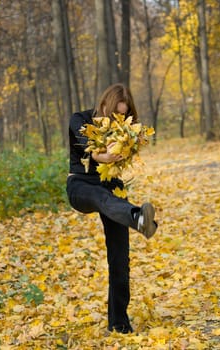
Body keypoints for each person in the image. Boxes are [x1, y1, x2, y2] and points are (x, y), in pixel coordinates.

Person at [66, 83, 157, 334]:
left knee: (120, 258)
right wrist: (101, 156)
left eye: (122, 115)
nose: (115, 119)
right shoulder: (80, 119)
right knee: (101, 197)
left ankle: (119, 322)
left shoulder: (123, 129)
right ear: (104, 103)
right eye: (113, 113)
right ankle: (137, 216)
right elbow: (86, 142)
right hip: (81, 185)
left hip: (113, 188)